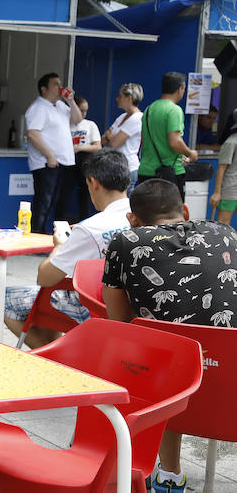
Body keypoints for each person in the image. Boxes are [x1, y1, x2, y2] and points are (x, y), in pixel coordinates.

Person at [102, 178, 237, 493]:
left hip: (169, 392)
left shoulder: (125, 241)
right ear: (185, 211)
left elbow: (119, 321)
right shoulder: (227, 233)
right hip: (230, 387)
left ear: (132, 219)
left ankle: (168, 475)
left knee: (156, 353)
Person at [0, 149, 131, 348]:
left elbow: (45, 277)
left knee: (1, 298)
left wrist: (60, 246)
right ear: (126, 181)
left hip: (91, 305)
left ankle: (56, 358)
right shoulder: (139, 215)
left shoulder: (91, 228)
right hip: (126, 304)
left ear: (94, 183)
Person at [25, 73, 82, 234]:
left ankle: (55, 236)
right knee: (44, 201)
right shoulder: (38, 107)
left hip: (64, 161)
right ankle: (37, 234)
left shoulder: (61, 105)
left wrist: (70, 100)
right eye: (55, 84)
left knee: (59, 202)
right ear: (44, 89)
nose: (60, 87)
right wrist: (49, 155)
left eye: (60, 83)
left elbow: (77, 119)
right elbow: (33, 133)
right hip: (47, 163)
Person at [137, 72, 198, 201]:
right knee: (172, 217)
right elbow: (174, 142)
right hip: (169, 175)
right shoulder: (174, 110)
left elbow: (143, 140)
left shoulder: (149, 109)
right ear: (180, 89)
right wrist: (190, 153)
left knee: (149, 215)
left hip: (146, 172)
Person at [55, 96, 101, 223]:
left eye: (86, 110)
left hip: (85, 161)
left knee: (85, 194)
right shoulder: (65, 124)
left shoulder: (90, 125)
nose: (83, 114)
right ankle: (58, 222)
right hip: (67, 162)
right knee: (63, 193)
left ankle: (84, 222)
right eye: (80, 110)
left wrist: (79, 148)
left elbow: (97, 146)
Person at [102, 83, 143, 193]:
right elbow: (104, 139)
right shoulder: (122, 117)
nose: (117, 99)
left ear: (129, 98)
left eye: (120, 96)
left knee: (124, 204)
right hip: (115, 167)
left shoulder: (137, 118)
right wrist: (110, 137)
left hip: (127, 168)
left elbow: (114, 143)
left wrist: (111, 137)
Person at [209, 122, 237, 226]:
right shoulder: (231, 142)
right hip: (230, 189)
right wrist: (217, 192)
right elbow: (221, 168)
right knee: (223, 224)